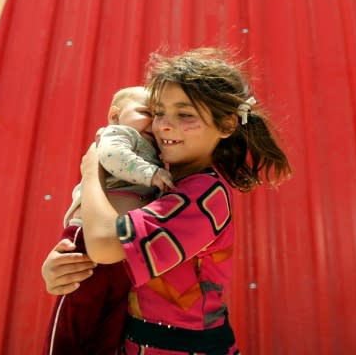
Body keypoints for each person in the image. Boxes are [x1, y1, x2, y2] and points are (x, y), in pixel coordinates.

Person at [42, 48, 292, 354]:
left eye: (184, 114)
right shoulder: (164, 184)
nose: (162, 125)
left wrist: (92, 168)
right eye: (158, 112)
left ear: (227, 125)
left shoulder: (202, 195)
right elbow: (109, 253)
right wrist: (67, 266)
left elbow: (107, 244)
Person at [44, 86, 173, 355]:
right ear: (115, 115)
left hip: (123, 249)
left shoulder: (157, 152)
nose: (154, 121)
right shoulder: (119, 134)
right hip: (87, 238)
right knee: (76, 312)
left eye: (159, 115)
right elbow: (113, 157)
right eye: (145, 112)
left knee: (110, 324)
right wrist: (151, 173)